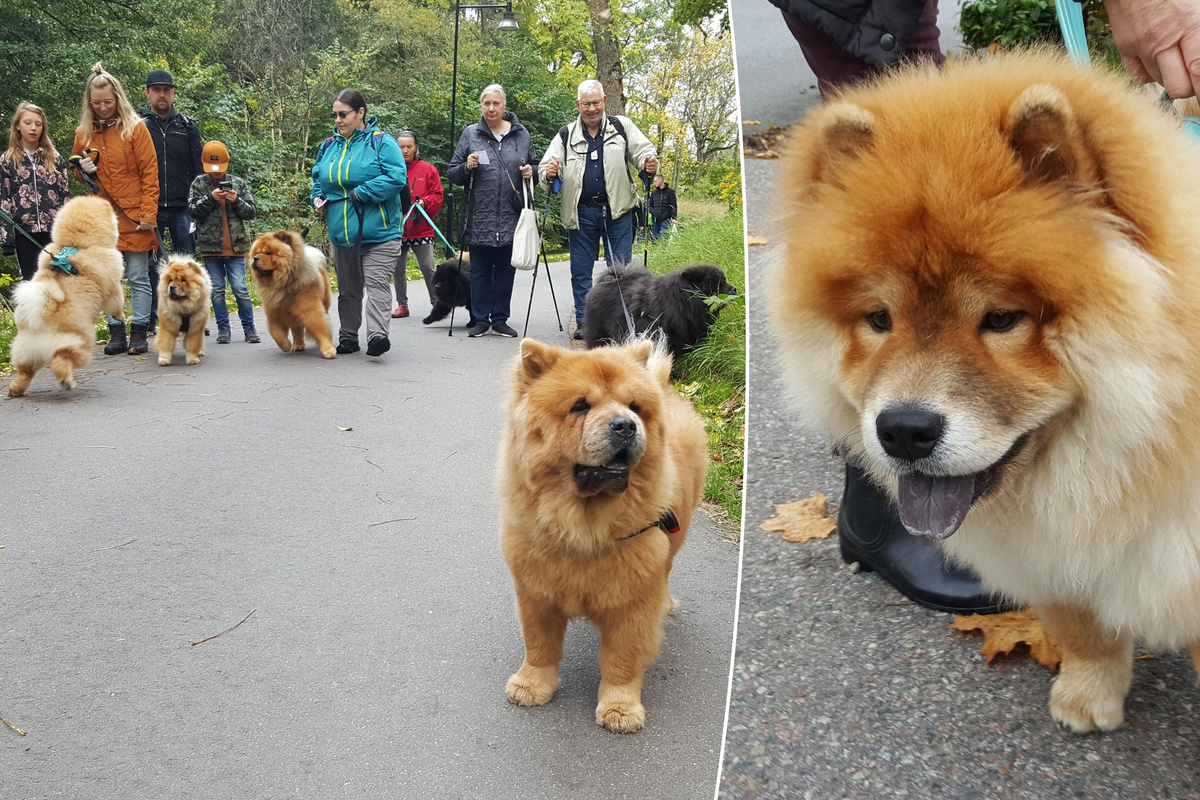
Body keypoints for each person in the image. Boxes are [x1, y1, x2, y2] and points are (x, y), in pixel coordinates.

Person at [538, 79, 658, 340]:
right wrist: (548, 173)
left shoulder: (621, 127)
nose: (591, 109)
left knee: (622, 271)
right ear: (578, 105)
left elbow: (644, 151)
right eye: (586, 104)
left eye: (596, 103)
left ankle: (623, 320)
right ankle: (585, 322)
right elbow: (545, 168)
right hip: (581, 213)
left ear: (604, 102)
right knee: (580, 270)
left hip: (618, 211)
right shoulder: (566, 135)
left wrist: (649, 162)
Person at [72, 62, 160, 356]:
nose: (103, 107)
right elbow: (77, 172)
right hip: (101, 218)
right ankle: (116, 332)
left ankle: (139, 331)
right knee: (107, 277)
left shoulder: (137, 128)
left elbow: (150, 172)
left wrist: (149, 214)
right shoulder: (83, 132)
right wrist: (81, 168)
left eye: (108, 102)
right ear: (89, 103)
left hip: (135, 216)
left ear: (118, 98)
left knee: (137, 275)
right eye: (97, 103)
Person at [311, 88, 407, 357]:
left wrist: (363, 191)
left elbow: (397, 177)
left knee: (376, 284)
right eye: (335, 115)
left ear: (360, 112)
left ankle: (377, 336)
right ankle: (348, 337)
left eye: (344, 114)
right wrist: (317, 198)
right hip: (343, 232)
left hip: (380, 232)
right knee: (348, 289)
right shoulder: (329, 145)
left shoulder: (381, 142)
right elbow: (318, 178)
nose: (338, 120)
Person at [447, 84, 538, 339]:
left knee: (506, 271)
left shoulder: (521, 135)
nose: (491, 108)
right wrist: (466, 166)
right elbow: (453, 173)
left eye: (496, 103)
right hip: (479, 216)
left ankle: (500, 319)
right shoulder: (470, 134)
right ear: (481, 106)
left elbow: (536, 166)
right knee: (479, 272)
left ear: (504, 106)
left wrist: (533, 172)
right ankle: (479, 319)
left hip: (511, 214)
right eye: (486, 104)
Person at [140, 69, 203, 333]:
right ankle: (157, 320)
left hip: (182, 208)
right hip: (150, 208)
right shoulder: (138, 125)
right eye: (157, 89)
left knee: (186, 264)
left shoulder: (187, 126)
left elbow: (199, 167)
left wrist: (199, 203)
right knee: (152, 267)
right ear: (148, 93)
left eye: (166, 90)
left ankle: (191, 318)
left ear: (172, 93)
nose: (162, 94)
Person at [188, 140, 259, 344]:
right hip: (210, 249)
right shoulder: (199, 184)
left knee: (240, 288)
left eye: (220, 168)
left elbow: (251, 213)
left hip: (236, 247)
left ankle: (250, 329)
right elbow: (192, 210)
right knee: (217, 290)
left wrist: (235, 200)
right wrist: (211, 198)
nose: (217, 173)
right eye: (212, 169)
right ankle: (223, 330)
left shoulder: (238, 183)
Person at [0, 102, 69, 281]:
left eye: (38, 124)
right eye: (28, 123)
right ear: (17, 125)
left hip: (53, 231)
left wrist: (68, 234)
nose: (33, 128)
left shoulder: (55, 158)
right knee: (31, 281)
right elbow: (4, 200)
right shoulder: (7, 160)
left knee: (57, 280)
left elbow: (65, 196)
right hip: (24, 232)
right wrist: (7, 239)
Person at [392, 131, 444, 319]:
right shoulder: (390, 168)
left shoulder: (428, 169)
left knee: (427, 266)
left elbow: (438, 195)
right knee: (397, 269)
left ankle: (436, 302)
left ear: (416, 148)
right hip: (397, 227)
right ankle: (402, 305)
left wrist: (424, 202)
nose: (405, 151)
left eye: (409, 147)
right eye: (401, 147)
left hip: (421, 227)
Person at [646, 173, 677, 240]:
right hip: (656, 219)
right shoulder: (654, 193)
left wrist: (674, 218)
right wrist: (653, 212)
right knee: (654, 238)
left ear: (660, 180)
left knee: (664, 237)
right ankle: (654, 250)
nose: (654, 183)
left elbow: (673, 206)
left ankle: (663, 249)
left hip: (666, 219)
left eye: (655, 181)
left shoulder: (670, 192)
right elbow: (650, 205)